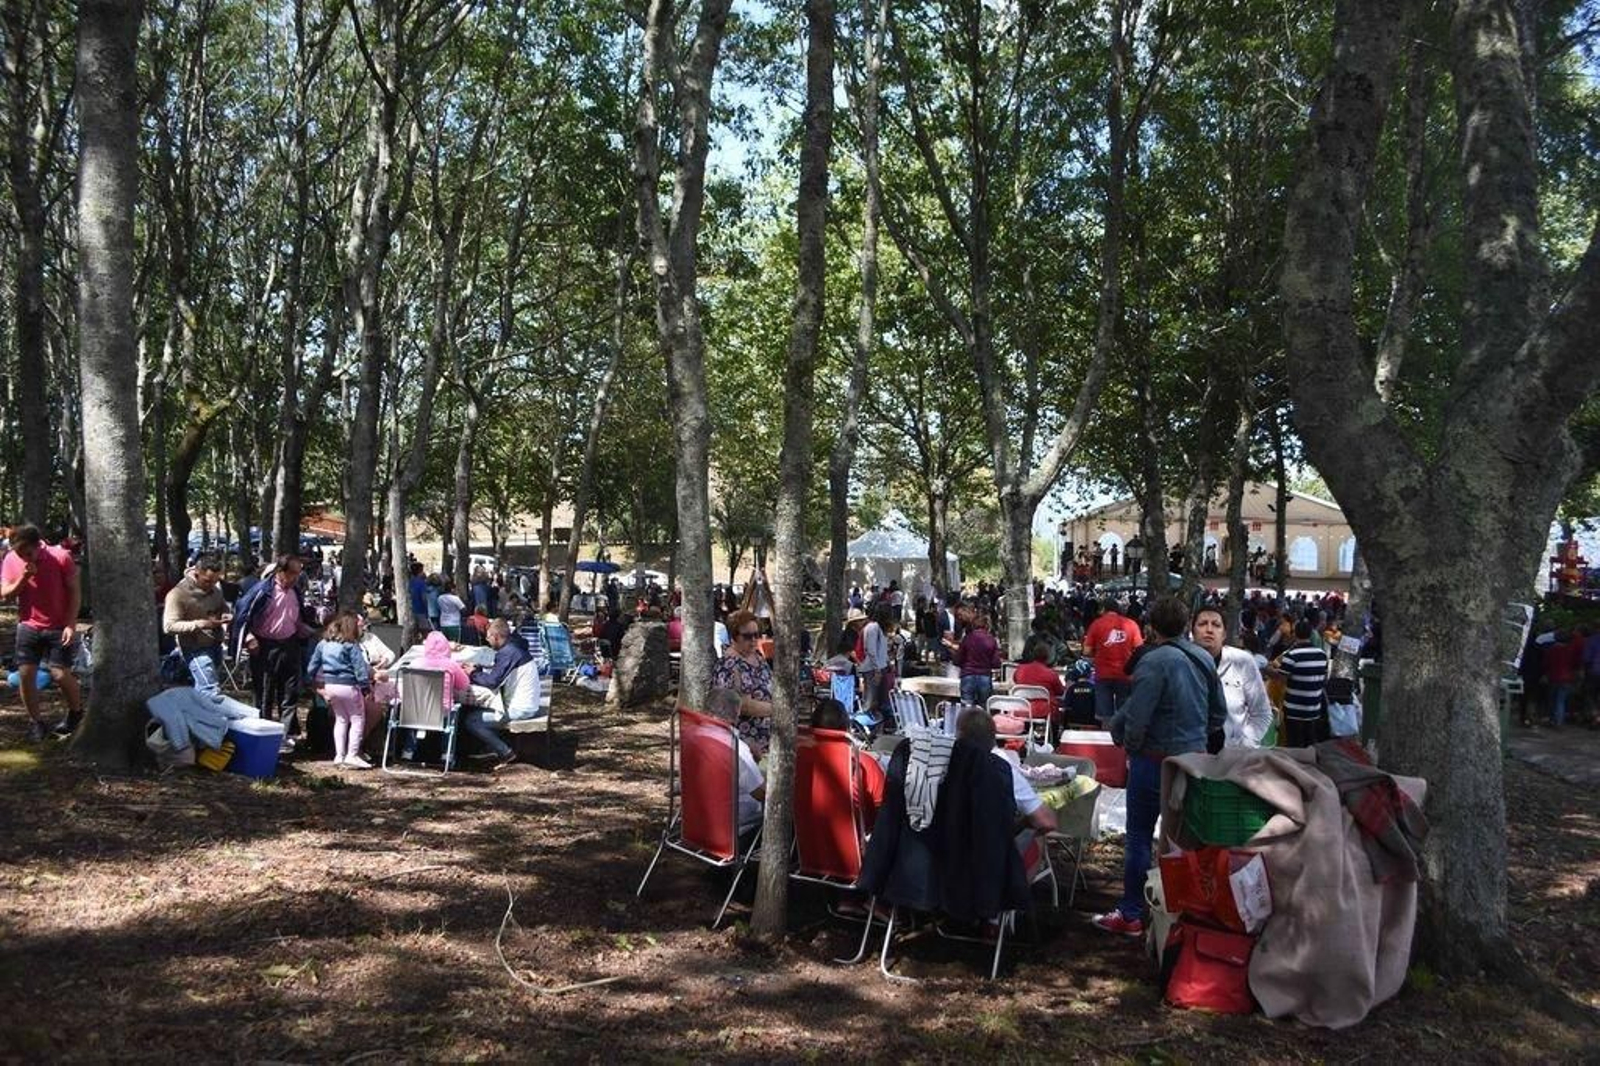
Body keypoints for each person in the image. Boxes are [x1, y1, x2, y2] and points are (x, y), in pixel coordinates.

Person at [1096, 597, 1226, 937]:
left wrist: (1132, 746)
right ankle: (1177, 912)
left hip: (1154, 762)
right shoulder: (1203, 659)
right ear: (1187, 626)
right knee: (1181, 840)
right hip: (1193, 761)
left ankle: (1132, 912)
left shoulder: (1154, 662)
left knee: (1139, 836)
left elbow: (1137, 719)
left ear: (1151, 627)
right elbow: (1218, 716)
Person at [0, 524, 83, 741]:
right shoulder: (11, 560)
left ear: (39, 545)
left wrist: (70, 623)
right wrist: (24, 578)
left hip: (58, 625)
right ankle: (36, 722)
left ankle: (76, 714)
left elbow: (74, 591)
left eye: (27, 553)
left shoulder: (60, 557)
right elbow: (5, 594)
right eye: (19, 553)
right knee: (26, 675)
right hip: (28, 625)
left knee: (60, 673)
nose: (23, 557)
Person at [233, 554, 317, 740]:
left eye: (298, 573)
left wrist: (310, 631)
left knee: (289, 691)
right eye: (292, 573)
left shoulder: (295, 592)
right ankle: (264, 735)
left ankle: (285, 735)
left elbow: (297, 619)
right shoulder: (262, 591)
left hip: (290, 645)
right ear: (280, 571)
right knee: (264, 692)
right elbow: (241, 615)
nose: (295, 577)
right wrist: (248, 637)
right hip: (265, 646)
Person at [1191, 605, 1273, 748]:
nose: (1209, 629)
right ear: (1192, 632)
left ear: (1224, 634)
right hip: (1190, 755)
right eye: (1202, 624)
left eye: (1216, 625)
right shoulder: (1180, 662)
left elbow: (1262, 713)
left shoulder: (1243, 661)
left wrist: (1246, 743)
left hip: (1234, 756)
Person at [460, 619, 534, 768]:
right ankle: (489, 745)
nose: (487, 640)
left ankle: (505, 752)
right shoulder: (513, 649)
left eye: (488, 637)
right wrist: (478, 671)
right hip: (526, 703)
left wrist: (473, 673)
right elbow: (498, 674)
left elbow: (492, 682)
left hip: (520, 708)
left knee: (471, 720)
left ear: (496, 636)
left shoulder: (507, 653)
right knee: (476, 710)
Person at [306, 612, 374, 769]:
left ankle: (339, 755)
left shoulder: (323, 644)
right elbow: (360, 669)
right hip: (349, 686)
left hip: (330, 686)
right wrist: (365, 687)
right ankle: (352, 754)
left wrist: (310, 681)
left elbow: (312, 666)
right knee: (357, 719)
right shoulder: (350, 645)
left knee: (341, 719)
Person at [809, 697, 887, 827]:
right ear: (847, 728)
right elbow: (883, 812)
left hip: (806, 841)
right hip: (855, 842)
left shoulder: (800, 760)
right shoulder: (864, 764)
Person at [162, 555, 231, 700]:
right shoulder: (178, 594)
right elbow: (169, 626)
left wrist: (226, 614)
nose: (211, 585)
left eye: (215, 581)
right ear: (196, 573)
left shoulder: (215, 590)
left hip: (215, 645)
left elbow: (222, 605)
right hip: (194, 648)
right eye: (207, 581)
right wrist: (198, 624)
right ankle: (213, 720)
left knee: (198, 688)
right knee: (210, 690)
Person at [713, 608, 774, 756]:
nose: (753, 640)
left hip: (769, 739)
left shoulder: (758, 657)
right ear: (734, 637)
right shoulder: (729, 665)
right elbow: (742, 705)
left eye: (756, 635)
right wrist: (779, 710)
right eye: (747, 636)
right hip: (745, 745)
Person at [708, 686, 766, 835]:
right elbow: (759, 793)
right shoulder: (736, 748)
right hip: (732, 826)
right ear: (737, 713)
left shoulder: (695, 736)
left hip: (698, 818)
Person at [1083, 598, 1143, 725]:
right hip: (1125, 674)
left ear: (1103, 609)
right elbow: (1139, 650)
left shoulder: (1096, 624)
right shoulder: (1131, 624)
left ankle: (1107, 740)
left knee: (1105, 716)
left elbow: (1086, 651)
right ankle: (1122, 742)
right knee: (1124, 713)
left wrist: (1099, 652)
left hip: (1103, 673)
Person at [1274, 619, 1331, 746]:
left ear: (1295, 634)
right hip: (1314, 708)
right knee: (1309, 742)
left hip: (1294, 709)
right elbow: (1324, 678)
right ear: (1311, 634)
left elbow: (1282, 679)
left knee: (1294, 744)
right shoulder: (1322, 655)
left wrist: (1273, 670)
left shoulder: (1291, 655)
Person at [945, 610, 1002, 706]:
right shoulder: (991, 640)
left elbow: (958, 660)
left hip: (968, 676)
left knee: (966, 707)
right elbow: (996, 663)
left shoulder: (967, 639)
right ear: (987, 626)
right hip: (985, 676)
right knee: (984, 706)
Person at [1012, 641, 1066, 723]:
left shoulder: (1020, 669)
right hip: (1044, 710)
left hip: (1022, 708)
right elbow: (1060, 692)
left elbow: (1015, 681)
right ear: (1047, 657)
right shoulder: (1051, 674)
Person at [858, 605, 891, 725]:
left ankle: (878, 725)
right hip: (872, 668)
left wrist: (887, 662)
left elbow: (882, 649)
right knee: (870, 700)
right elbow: (870, 649)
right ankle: (863, 725)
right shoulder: (872, 628)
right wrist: (877, 669)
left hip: (880, 667)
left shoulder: (881, 629)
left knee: (880, 700)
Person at [407, 562, 429, 631]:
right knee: (424, 630)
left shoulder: (410, 582)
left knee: (414, 631)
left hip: (411, 610)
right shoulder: (421, 583)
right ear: (420, 571)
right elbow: (424, 597)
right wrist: (426, 608)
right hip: (421, 610)